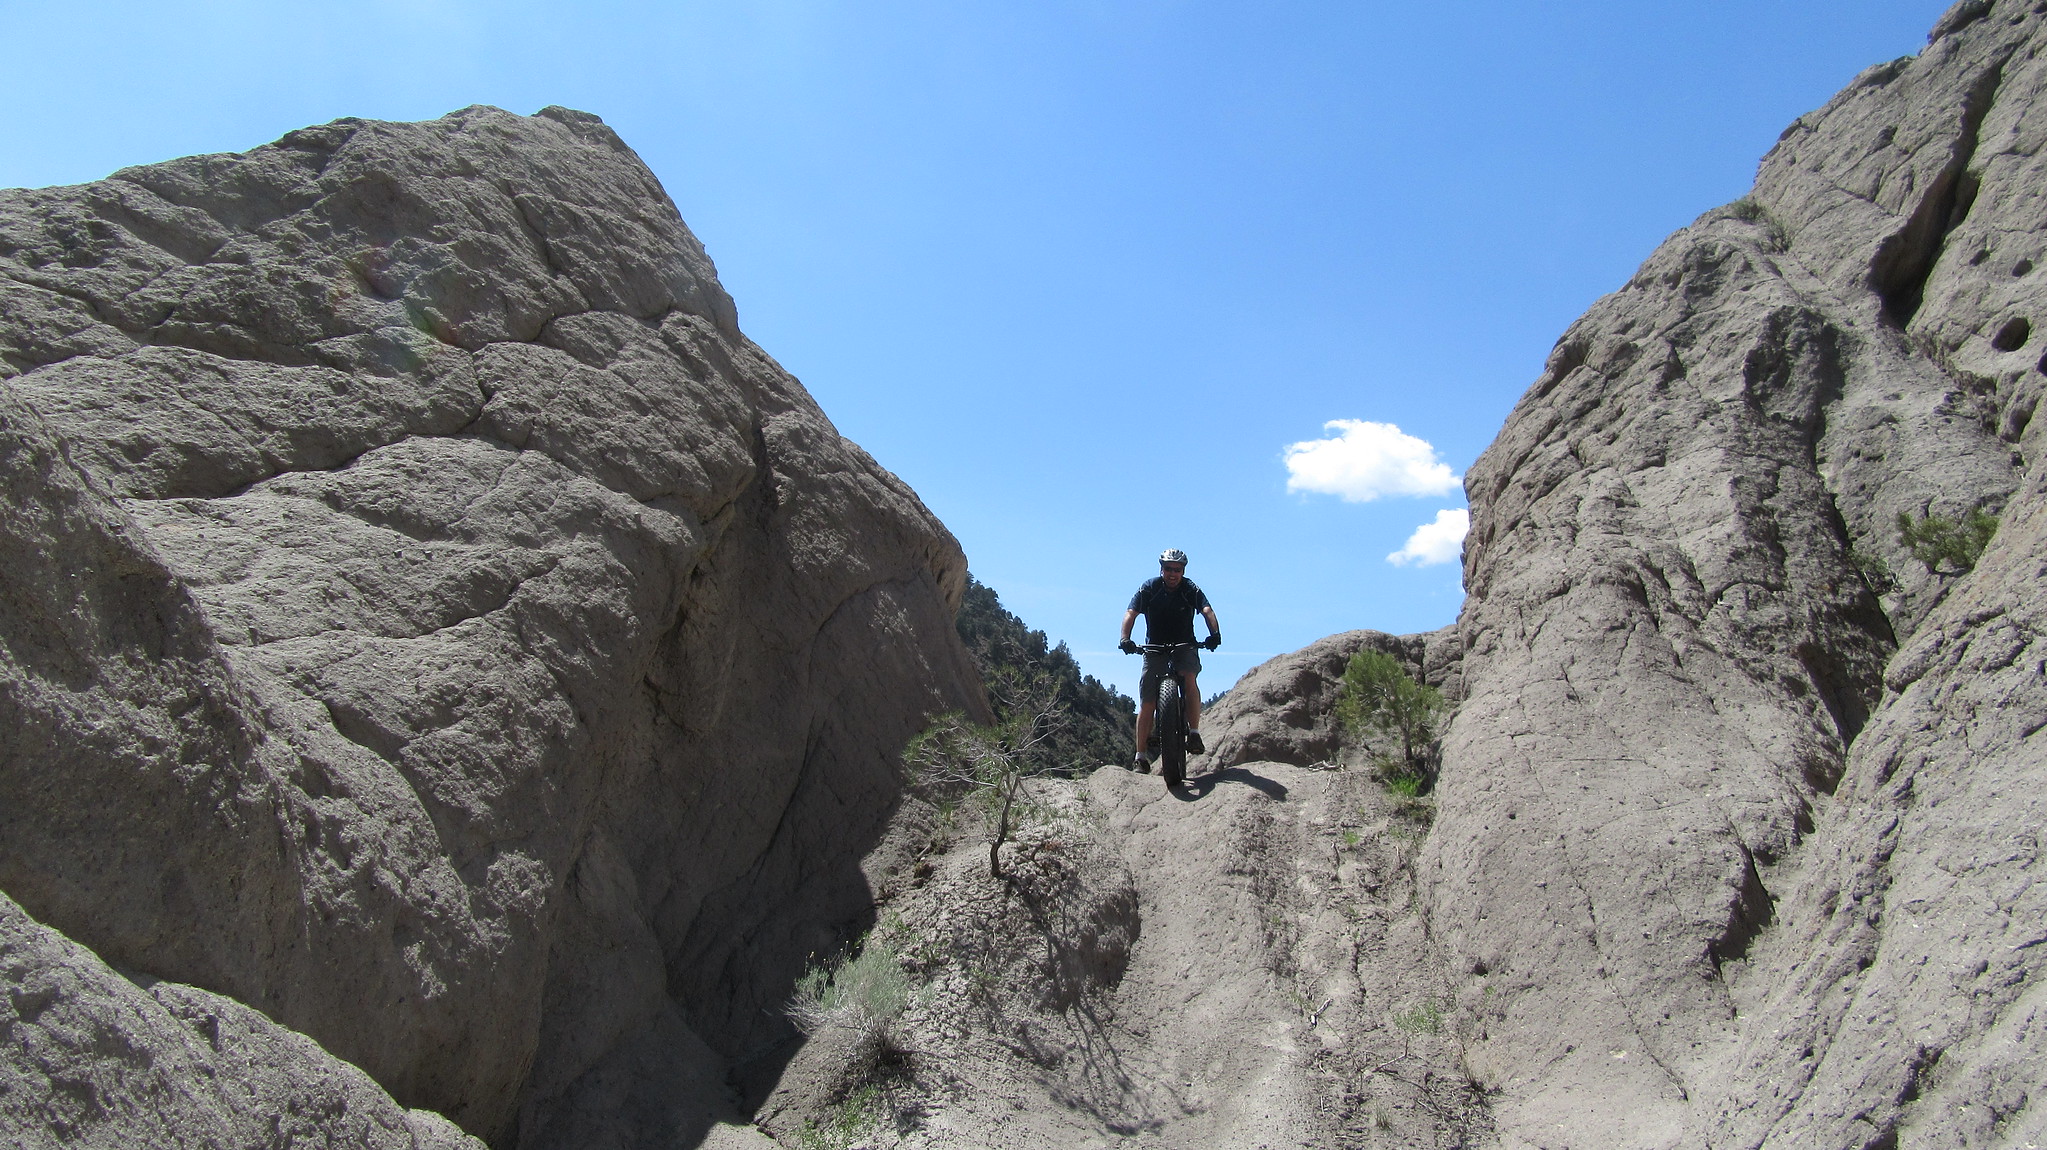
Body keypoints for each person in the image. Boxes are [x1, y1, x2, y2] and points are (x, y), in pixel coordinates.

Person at [1118, 549, 1221, 772]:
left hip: (1185, 645)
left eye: (1177, 570)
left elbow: (1206, 610)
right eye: (1168, 569)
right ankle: (1141, 757)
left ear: (1183, 571)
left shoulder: (1189, 588)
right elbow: (1130, 613)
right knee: (1147, 702)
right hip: (1154, 648)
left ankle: (1193, 733)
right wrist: (1125, 638)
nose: (1173, 573)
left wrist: (1215, 633)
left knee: (1189, 677)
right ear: (1161, 569)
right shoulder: (1149, 588)